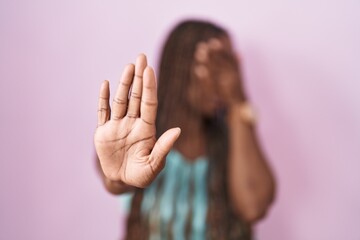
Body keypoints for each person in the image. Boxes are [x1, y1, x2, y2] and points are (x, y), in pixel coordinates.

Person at [94, 19, 275, 240]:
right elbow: (115, 179)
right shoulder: (134, 138)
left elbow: (253, 207)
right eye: (215, 64)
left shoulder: (232, 140)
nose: (226, 79)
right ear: (182, 66)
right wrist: (118, 178)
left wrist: (238, 102)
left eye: (229, 65)